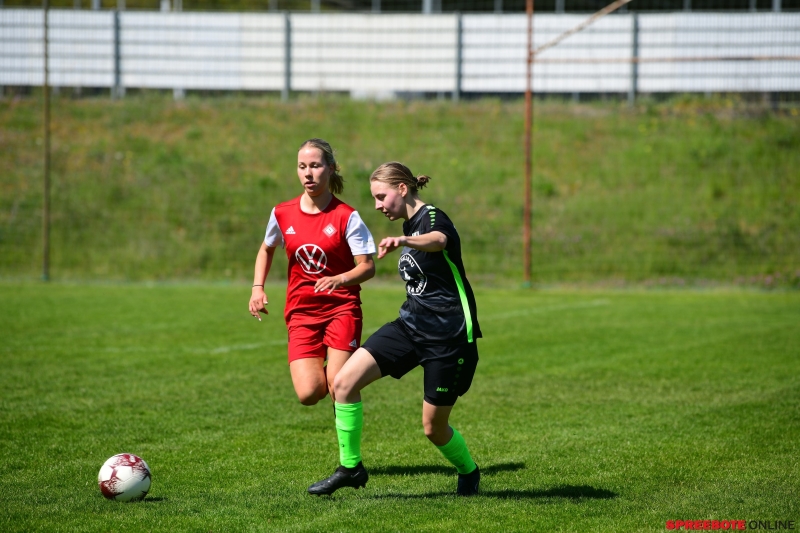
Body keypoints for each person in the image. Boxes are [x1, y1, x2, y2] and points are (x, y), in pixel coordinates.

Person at [307, 161, 482, 497]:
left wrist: (404, 240)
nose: (377, 205)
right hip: (409, 326)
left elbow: (439, 240)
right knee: (343, 383)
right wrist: (405, 238)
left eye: (381, 196)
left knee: (433, 428)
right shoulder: (408, 223)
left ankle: (469, 471)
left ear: (402, 189)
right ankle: (350, 467)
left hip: (449, 336)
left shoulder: (430, 218)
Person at [248, 139, 376, 463]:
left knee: (339, 385)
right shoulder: (282, 212)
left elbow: (367, 266)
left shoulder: (347, 216)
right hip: (301, 311)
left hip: (341, 308)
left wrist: (340, 279)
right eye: (302, 166)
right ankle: (327, 369)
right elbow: (266, 248)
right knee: (308, 393)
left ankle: (350, 462)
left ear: (331, 169)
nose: (308, 173)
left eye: (316, 166)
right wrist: (257, 288)